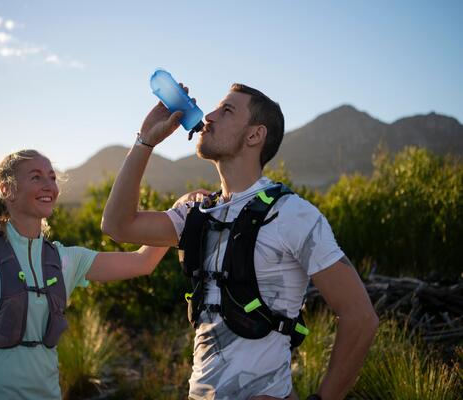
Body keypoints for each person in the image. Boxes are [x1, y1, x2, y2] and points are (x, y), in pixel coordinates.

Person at [102, 84, 379, 400]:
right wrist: (146, 139)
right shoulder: (198, 213)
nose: (208, 116)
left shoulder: (292, 214)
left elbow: (360, 317)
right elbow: (117, 226)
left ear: (254, 135)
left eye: (227, 110)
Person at [0, 149, 176, 400]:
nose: (48, 186)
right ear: (7, 189)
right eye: (36, 177)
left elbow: (142, 262)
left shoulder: (66, 259)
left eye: (52, 178)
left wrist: (180, 214)